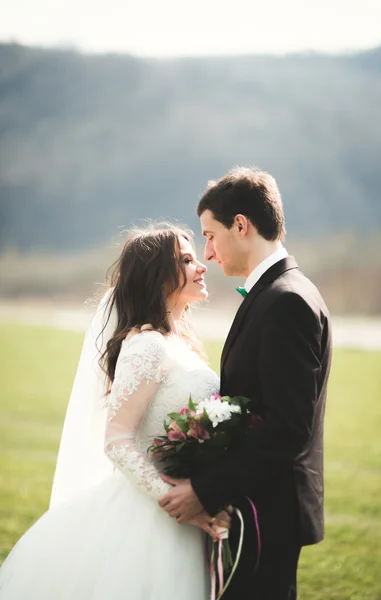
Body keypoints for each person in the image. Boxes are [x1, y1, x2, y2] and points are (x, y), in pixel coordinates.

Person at [0, 225, 229, 599]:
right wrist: (171, 498)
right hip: (152, 514)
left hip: (186, 505)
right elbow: (118, 439)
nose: (201, 266)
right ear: (157, 276)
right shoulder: (146, 346)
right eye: (186, 260)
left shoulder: (180, 344)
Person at [159, 168, 332, 600]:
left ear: (241, 225)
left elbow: (288, 427)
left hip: (268, 510)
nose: (208, 252)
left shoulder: (286, 301)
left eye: (210, 235)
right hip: (259, 505)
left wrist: (204, 489)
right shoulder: (275, 293)